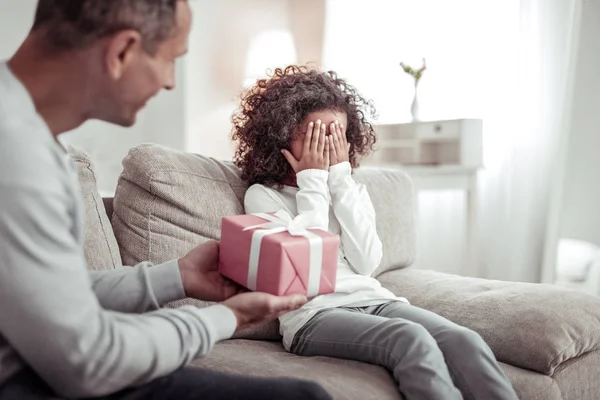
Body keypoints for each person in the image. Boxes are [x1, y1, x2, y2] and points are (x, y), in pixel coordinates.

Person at [0, 2, 333, 400]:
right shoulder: (16, 154)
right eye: (171, 59)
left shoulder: (28, 133)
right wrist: (226, 318)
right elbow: (89, 361)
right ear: (122, 51)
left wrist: (177, 276)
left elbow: (52, 295)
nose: (171, 82)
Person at [233, 64, 520, 400]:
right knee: (410, 338)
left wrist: (339, 180)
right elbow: (308, 270)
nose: (327, 146)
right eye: (316, 135)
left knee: (464, 340)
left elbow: (367, 262)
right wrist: (312, 182)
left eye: (336, 135)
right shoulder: (263, 196)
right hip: (315, 315)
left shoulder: (350, 190)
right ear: (282, 136)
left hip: (375, 301)